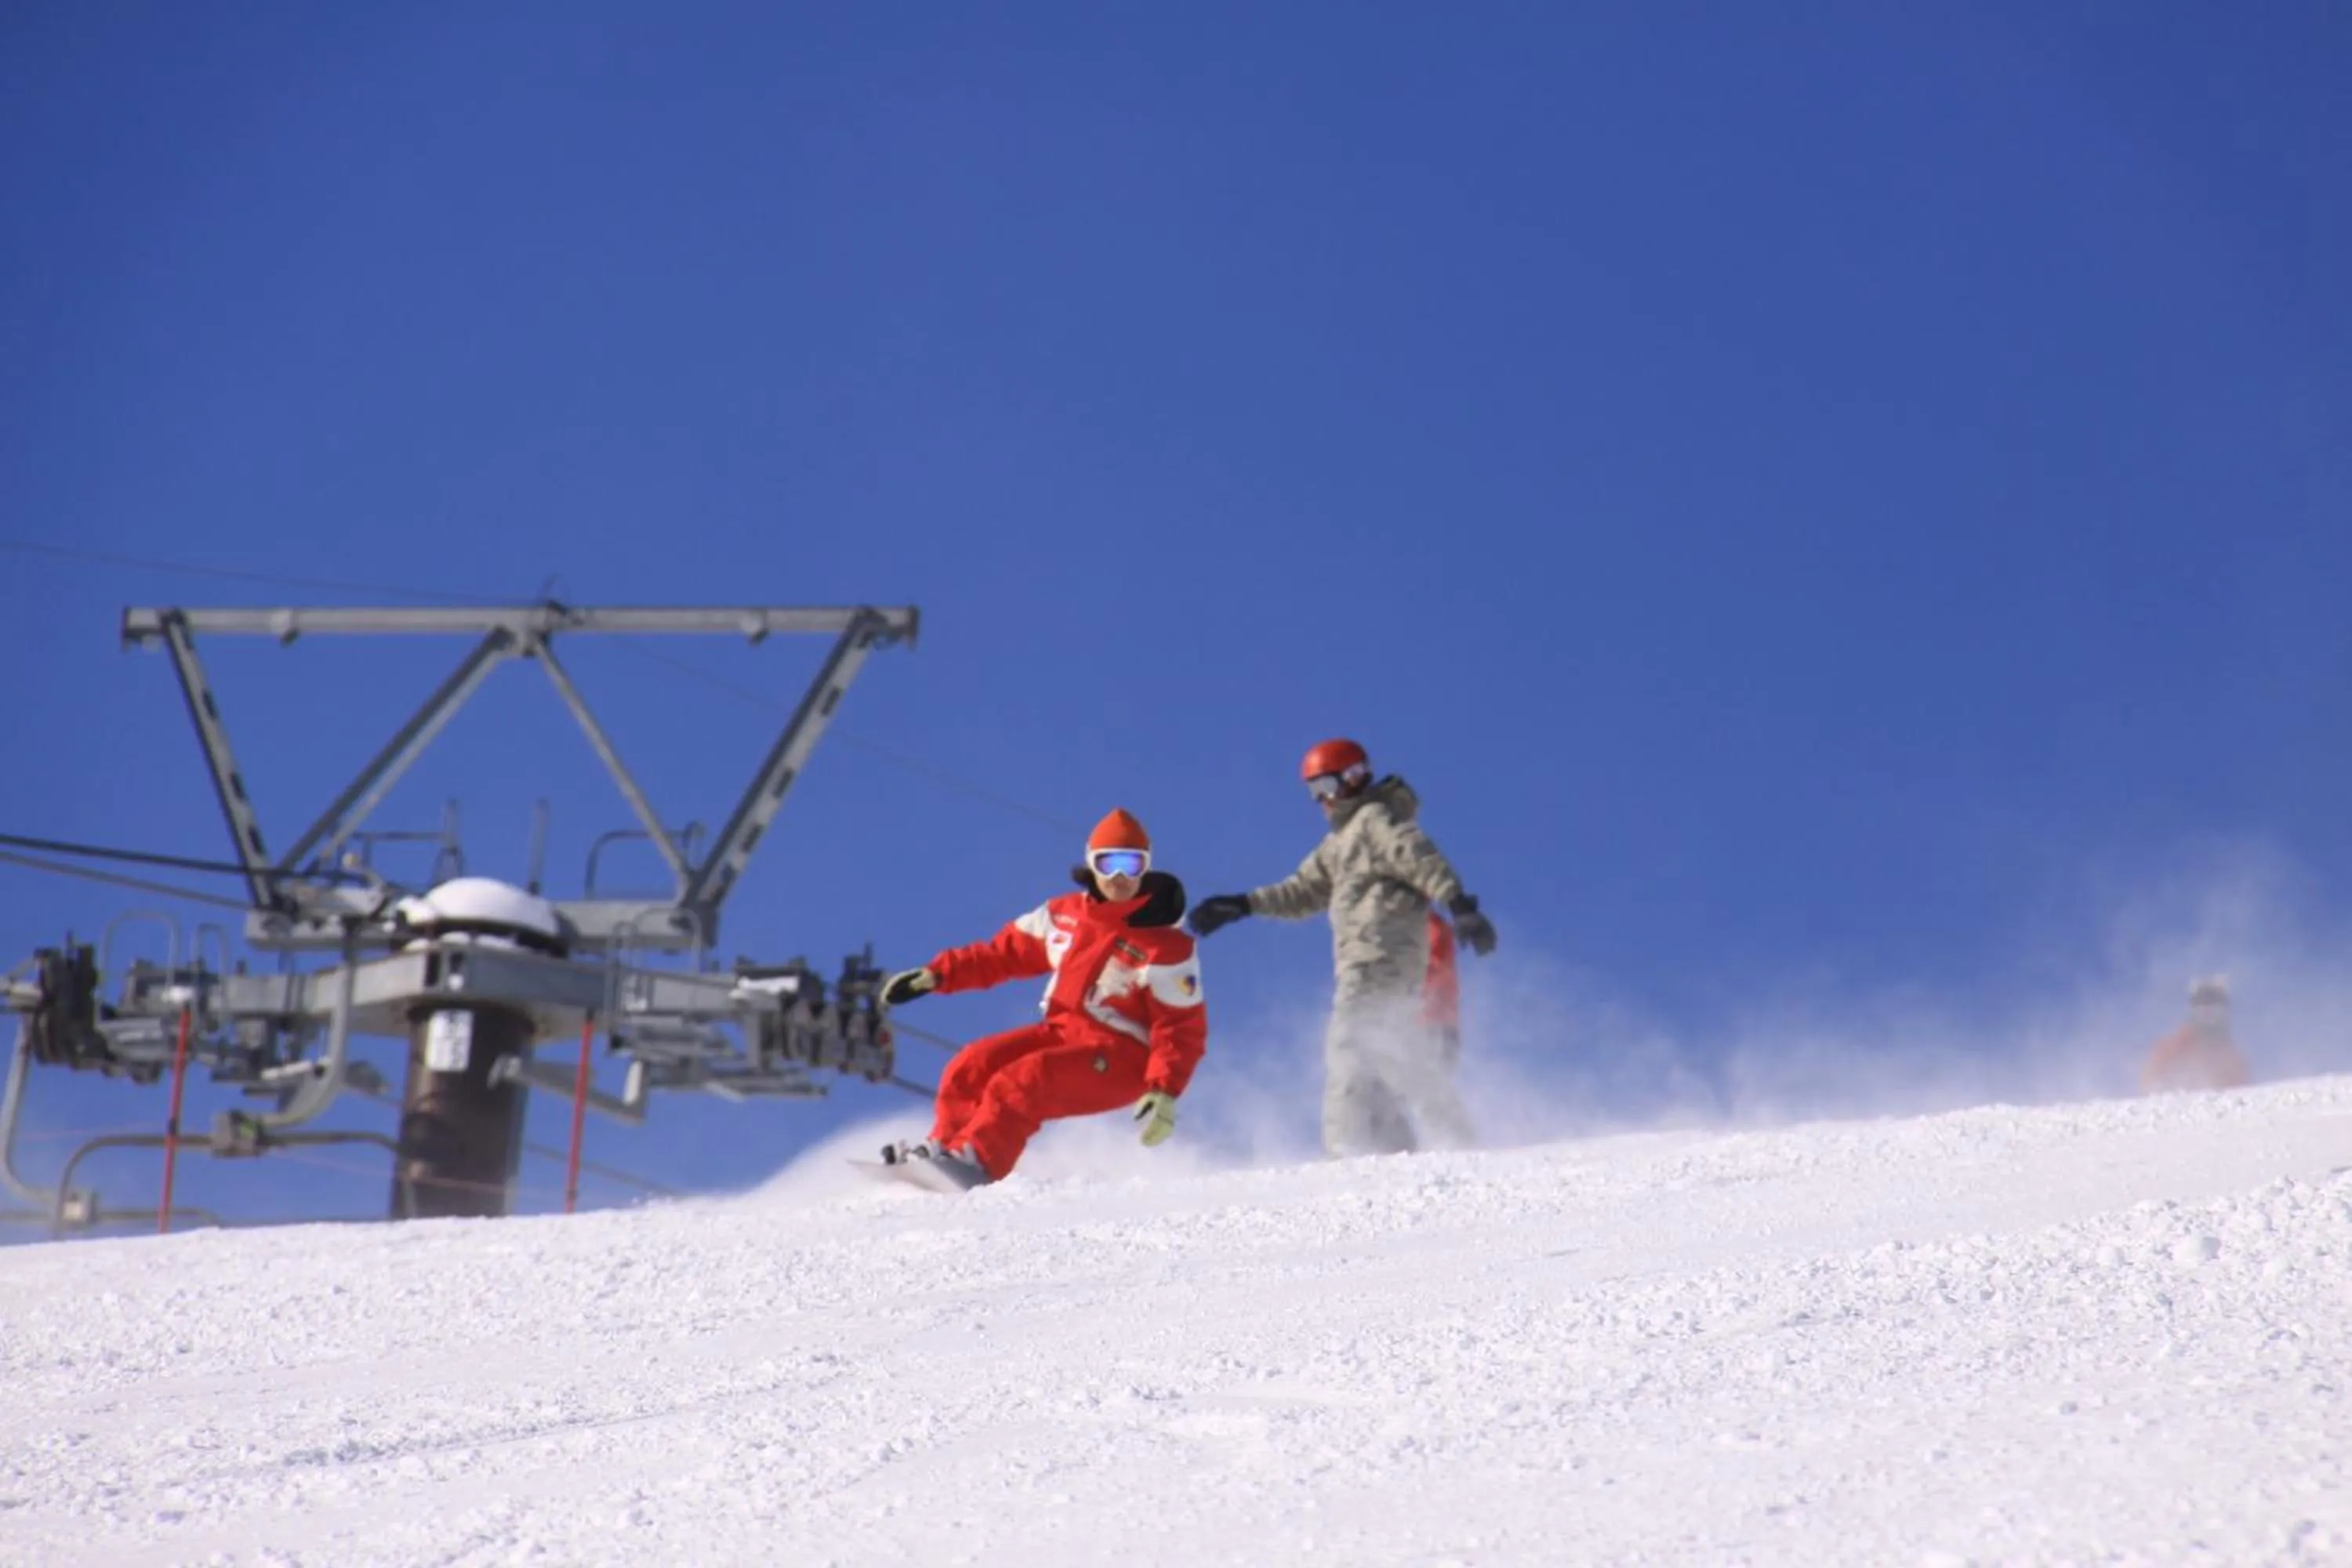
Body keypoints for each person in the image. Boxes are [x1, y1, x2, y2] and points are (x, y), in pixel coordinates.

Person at [1189, 739, 1495, 1158]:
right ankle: (1403, 1147)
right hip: (1371, 959)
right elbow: (1300, 891)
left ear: (1353, 777)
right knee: (1386, 1054)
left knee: (1350, 1041)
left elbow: (1418, 856)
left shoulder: (1374, 821)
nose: (1322, 801)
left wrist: (1459, 904)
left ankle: (1347, 1148)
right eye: (1313, 792)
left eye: (1325, 787)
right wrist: (1242, 905)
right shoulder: (1340, 844)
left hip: (1381, 954)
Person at [877, 808, 1207, 1189]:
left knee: (1025, 1080)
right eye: (1108, 863)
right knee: (972, 1064)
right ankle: (945, 1150)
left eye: (1131, 865)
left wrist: (1163, 1089)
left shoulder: (1165, 946)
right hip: (1062, 1034)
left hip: (1122, 1056)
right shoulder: (1063, 915)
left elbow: (1181, 1026)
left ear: (1145, 868)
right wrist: (938, 975)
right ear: (1091, 863)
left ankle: (978, 1163)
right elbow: (1002, 954)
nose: (1119, 877)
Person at [2140, 975, 2252, 1094]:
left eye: (2215, 1011)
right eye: (2203, 1010)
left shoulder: (2231, 1056)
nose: (2209, 1016)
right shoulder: (2175, 1046)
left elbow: (2241, 1093)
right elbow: (2152, 1077)